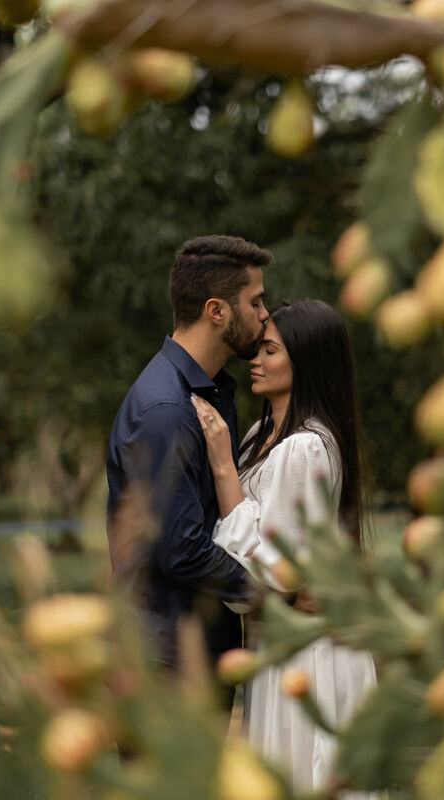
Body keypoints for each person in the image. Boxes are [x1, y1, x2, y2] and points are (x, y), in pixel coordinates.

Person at [191, 300, 379, 796]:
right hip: (278, 642)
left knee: (302, 774)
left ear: (306, 361)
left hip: (308, 653)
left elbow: (273, 570)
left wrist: (223, 468)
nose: (255, 360)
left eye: (270, 350)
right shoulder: (261, 436)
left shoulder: (306, 446)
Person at [105, 234, 272, 699]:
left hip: (192, 650)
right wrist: (272, 593)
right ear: (217, 310)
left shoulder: (211, 392)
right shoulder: (168, 409)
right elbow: (180, 548)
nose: (265, 315)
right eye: (255, 302)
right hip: (163, 662)